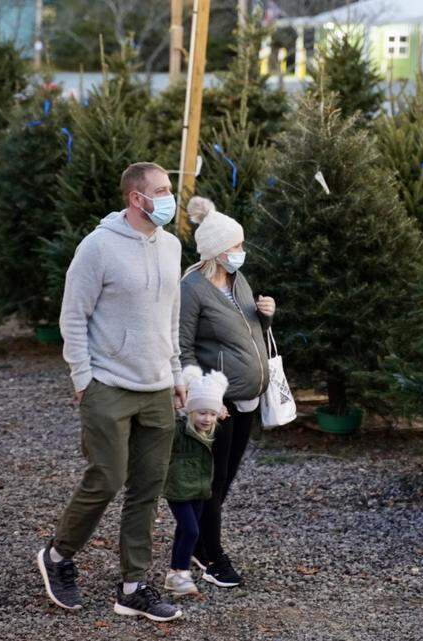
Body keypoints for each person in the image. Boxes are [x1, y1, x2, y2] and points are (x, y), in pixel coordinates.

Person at [37, 162, 187, 623]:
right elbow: (73, 315)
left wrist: (177, 371)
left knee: (147, 489)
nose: (168, 198)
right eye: (160, 191)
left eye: (169, 189)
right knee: (107, 477)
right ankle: (59, 556)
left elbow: (171, 315)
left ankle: (133, 587)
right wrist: (83, 378)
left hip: (159, 387)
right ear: (134, 198)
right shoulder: (98, 247)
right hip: (109, 386)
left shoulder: (172, 246)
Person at [178, 197, 276, 588]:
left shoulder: (238, 280)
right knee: (213, 479)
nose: (241, 252)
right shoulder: (193, 289)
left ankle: (201, 543)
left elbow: (248, 328)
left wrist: (266, 313)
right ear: (218, 253)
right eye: (235, 247)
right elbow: (182, 346)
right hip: (218, 402)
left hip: (247, 397)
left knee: (227, 476)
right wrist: (202, 396)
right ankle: (211, 554)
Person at [162, 365, 230, 596]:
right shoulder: (180, 430)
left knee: (184, 530)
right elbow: (169, 425)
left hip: (200, 489)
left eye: (211, 414)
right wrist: (177, 405)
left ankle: (173, 573)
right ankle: (181, 572)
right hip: (178, 489)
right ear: (190, 411)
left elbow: (217, 418)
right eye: (201, 413)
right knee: (191, 531)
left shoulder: (211, 431)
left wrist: (218, 410)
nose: (206, 418)